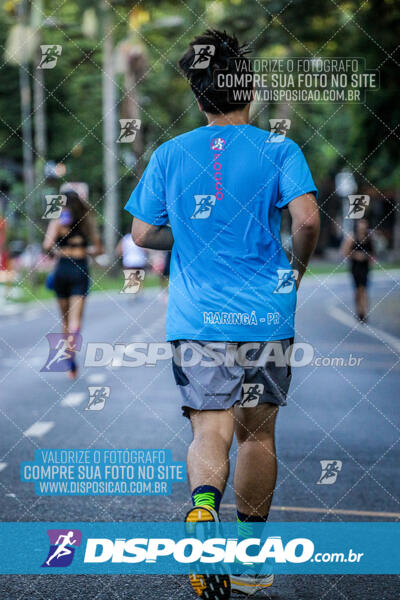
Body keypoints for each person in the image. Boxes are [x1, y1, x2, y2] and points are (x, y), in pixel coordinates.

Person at [125, 29, 319, 599]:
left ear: (199, 95)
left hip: (197, 321)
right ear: (249, 90)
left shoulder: (169, 154)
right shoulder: (279, 150)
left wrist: (188, 235)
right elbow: (306, 222)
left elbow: (140, 232)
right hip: (263, 318)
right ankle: (250, 563)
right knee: (256, 436)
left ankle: (203, 507)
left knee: (209, 429)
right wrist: (293, 273)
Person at [43, 190, 102, 378]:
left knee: (65, 320)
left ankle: (69, 358)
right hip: (80, 268)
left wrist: (58, 249)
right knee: (76, 320)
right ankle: (73, 346)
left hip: (62, 268)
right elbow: (98, 249)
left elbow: (47, 245)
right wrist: (85, 250)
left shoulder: (58, 220)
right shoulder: (87, 221)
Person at [341, 218, 375, 322]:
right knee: (357, 290)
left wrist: (369, 258)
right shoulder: (352, 237)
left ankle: (364, 312)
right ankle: (358, 310)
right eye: (360, 224)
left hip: (365, 267)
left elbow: (373, 253)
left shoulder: (369, 238)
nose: (362, 227)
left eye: (364, 224)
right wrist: (356, 255)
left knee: (363, 289)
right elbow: (345, 252)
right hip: (355, 267)